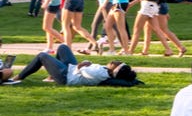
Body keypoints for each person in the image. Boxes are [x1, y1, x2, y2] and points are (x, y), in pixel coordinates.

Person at [3, 43, 135, 86]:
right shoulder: (105, 71)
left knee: (42, 56)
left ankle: (19, 77)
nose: (113, 61)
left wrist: (84, 63)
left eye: (115, 63)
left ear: (115, 70)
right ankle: (51, 76)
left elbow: (80, 69)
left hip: (66, 76)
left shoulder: (99, 74)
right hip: (71, 69)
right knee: (63, 47)